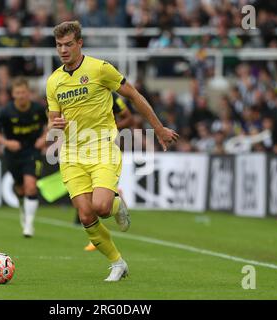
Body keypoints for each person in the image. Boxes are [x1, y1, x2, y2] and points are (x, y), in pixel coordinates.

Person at [46, 21, 178, 281]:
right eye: (59, 45)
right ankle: (117, 263)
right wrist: (56, 124)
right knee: (85, 214)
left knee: (102, 208)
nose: (63, 50)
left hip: (102, 148)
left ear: (79, 44)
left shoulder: (100, 69)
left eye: (68, 44)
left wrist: (159, 128)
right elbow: (53, 119)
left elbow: (135, 96)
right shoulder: (54, 82)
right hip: (71, 153)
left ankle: (117, 206)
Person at [0, 76, 47, 237]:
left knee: (31, 186)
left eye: (23, 92)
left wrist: (43, 138)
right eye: (18, 92)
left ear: (28, 93)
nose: (21, 95)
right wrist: (6, 143)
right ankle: (22, 207)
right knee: (20, 188)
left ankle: (29, 225)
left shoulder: (38, 109)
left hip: (32, 152)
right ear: (13, 94)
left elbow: (51, 124)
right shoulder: (5, 111)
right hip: (13, 153)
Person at [78, 92, 133, 252]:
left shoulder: (110, 96)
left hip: (104, 146)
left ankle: (116, 202)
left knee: (100, 201)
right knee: (83, 200)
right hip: (79, 149)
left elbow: (129, 118)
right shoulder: (77, 92)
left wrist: (110, 129)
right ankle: (94, 236)